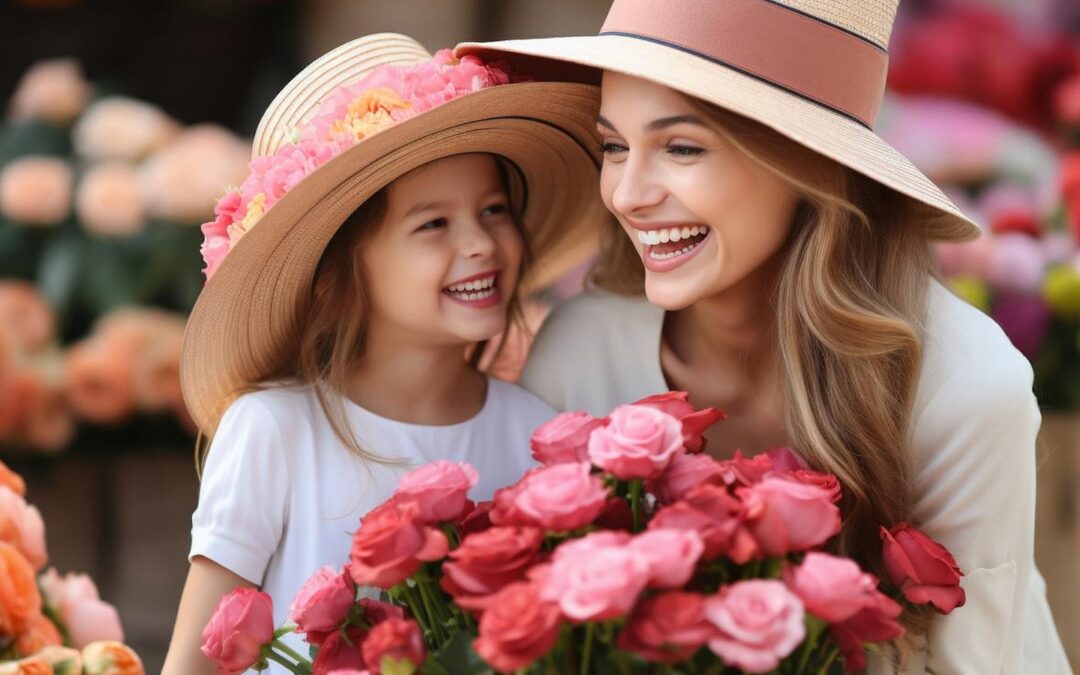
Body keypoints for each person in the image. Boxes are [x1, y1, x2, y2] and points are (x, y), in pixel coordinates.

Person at [458, 1, 1072, 672]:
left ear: (803, 161)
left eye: (681, 146)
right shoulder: (582, 356)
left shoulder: (966, 389)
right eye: (614, 145)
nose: (628, 193)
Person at [162, 33, 605, 674]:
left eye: (494, 209)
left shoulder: (539, 438)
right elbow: (193, 664)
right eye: (433, 223)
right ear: (340, 269)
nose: (481, 242)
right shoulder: (275, 430)